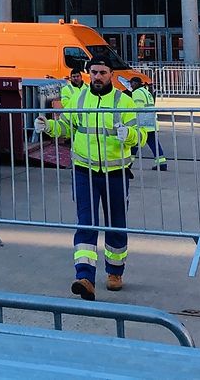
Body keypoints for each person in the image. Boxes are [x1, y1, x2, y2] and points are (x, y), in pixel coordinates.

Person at [35, 60, 143, 300]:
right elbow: (66, 127)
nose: (98, 76)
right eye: (94, 72)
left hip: (116, 173)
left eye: (103, 72)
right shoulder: (79, 98)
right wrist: (49, 126)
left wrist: (129, 135)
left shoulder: (124, 101)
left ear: (111, 74)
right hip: (85, 171)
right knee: (86, 222)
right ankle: (84, 277)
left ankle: (115, 272)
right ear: (89, 74)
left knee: (116, 223)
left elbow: (141, 136)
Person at [128, 77, 167, 171]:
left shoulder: (136, 93)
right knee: (154, 144)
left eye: (131, 83)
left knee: (134, 144)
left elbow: (136, 109)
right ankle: (162, 163)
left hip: (142, 124)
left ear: (135, 83)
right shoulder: (146, 92)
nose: (131, 86)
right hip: (151, 123)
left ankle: (128, 164)